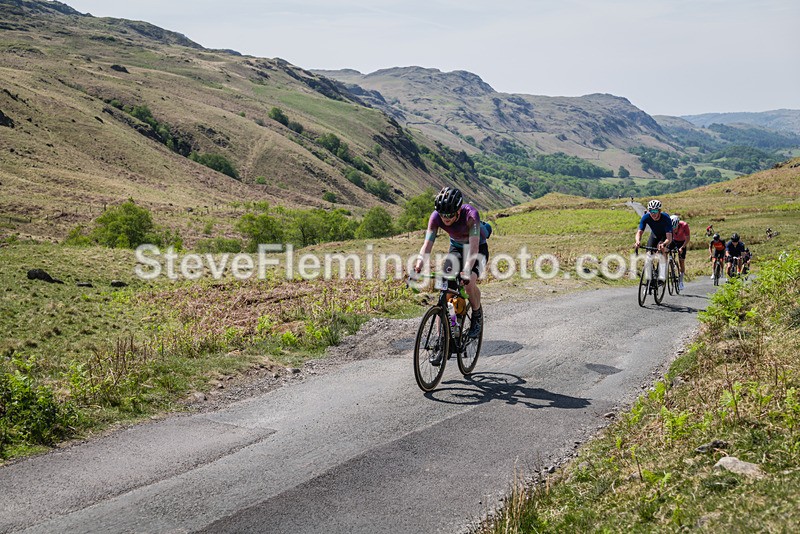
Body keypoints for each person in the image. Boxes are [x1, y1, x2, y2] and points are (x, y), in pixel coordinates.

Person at [414, 187, 489, 339]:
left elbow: (474, 248)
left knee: (468, 284)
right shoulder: (435, 217)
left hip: (477, 249)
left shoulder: (471, 215)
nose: (445, 218)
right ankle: (443, 338)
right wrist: (418, 266)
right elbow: (427, 244)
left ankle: (476, 316)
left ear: (458, 211)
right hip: (456, 248)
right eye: (442, 215)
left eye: (449, 215)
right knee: (445, 288)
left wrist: (467, 270)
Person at [634, 199, 673, 287]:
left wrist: (663, 244)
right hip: (654, 235)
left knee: (662, 252)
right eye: (651, 211)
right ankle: (650, 278)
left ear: (659, 211)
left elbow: (669, 238)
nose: (653, 213)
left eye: (655, 211)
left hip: (665, 236)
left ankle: (662, 276)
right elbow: (639, 232)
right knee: (648, 256)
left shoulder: (666, 218)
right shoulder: (646, 217)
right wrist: (637, 241)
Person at [669, 215, 690, 290]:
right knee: (666, 250)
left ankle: (681, 281)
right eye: (672, 228)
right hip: (673, 241)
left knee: (681, 262)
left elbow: (688, 238)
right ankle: (671, 263)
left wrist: (682, 247)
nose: (674, 230)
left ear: (678, 224)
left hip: (682, 242)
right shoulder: (669, 225)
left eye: (675, 228)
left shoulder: (684, 225)